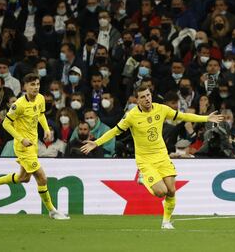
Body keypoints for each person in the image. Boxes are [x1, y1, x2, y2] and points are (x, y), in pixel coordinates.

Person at [81, 86, 224, 229]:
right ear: (137, 100)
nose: (147, 99)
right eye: (142, 97)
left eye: (148, 95)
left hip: (162, 156)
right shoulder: (132, 116)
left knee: (172, 191)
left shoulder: (160, 109)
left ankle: (166, 222)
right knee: (161, 192)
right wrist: (96, 142)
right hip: (145, 160)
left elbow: (183, 116)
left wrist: (206, 118)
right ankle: (143, 178)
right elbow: (114, 131)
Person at [0, 73, 69, 220]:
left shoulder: (41, 98)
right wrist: (21, 139)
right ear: (25, 87)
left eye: (37, 84)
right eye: (32, 85)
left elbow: (40, 114)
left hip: (33, 144)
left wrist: (47, 129)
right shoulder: (19, 105)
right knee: (42, 178)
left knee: (24, 178)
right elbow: (6, 123)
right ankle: (52, 211)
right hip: (23, 146)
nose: (35, 87)